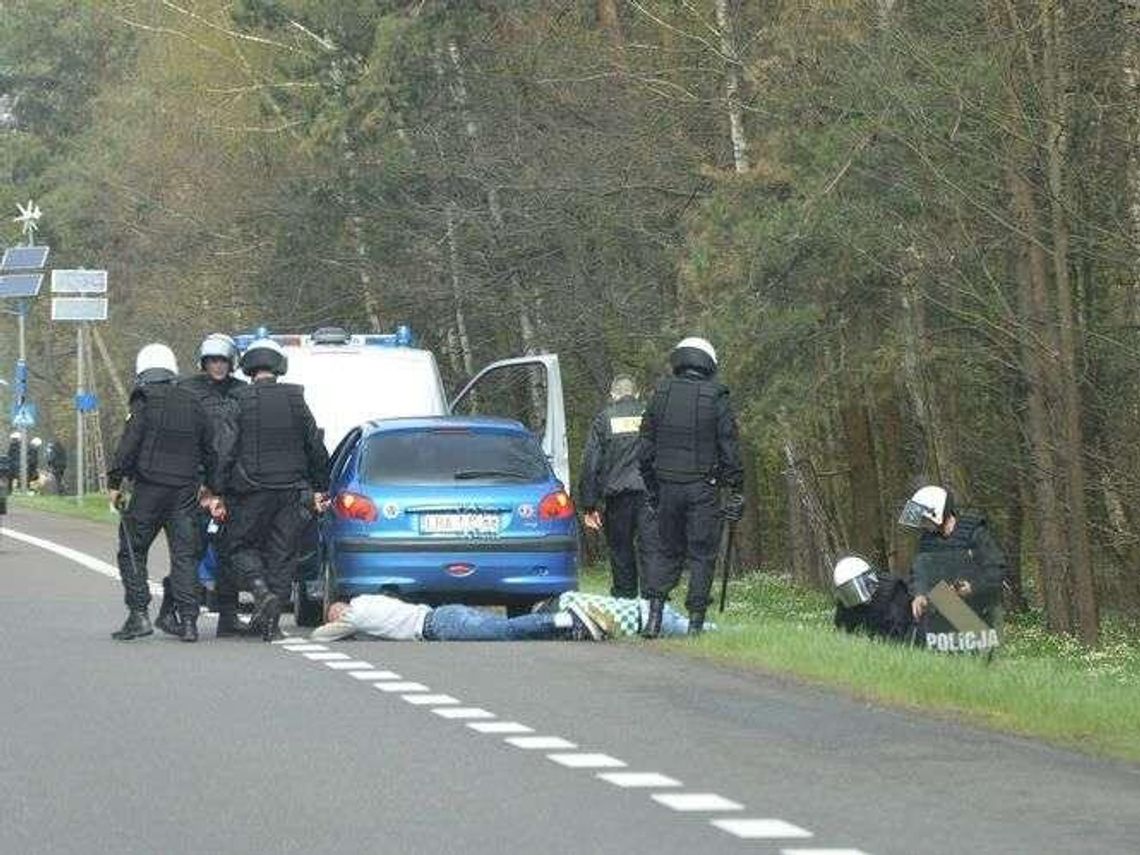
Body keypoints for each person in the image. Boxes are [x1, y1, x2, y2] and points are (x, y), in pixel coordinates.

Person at [216, 337, 330, 641]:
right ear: (279, 367)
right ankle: (272, 625)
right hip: (292, 492)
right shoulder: (296, 399)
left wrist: (217, 489)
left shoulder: (238, 400)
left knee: (238, 547)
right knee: (283, 556)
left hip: (251, 492)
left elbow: (225, 450)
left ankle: (259, 589)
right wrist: (321, 486)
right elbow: (315, 447)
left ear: (247, 368)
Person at [107, 343, 217, 642]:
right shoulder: (193, 402)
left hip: (149, 489)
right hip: (184, 491)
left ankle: (139, 614)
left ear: (142, 371)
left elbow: (129, 445)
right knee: (184, 555)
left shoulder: (143, 400)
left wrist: (115, 483)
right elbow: (211, 449)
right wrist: (212, 487)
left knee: (132, 548)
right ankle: (190, 622)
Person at [638, 336, 744, 637]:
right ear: (709, 363)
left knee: (666, 550)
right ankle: (695, 624)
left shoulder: (660, 394)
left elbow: (644, 448)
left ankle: (654, 619)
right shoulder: (717, 396)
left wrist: (653, 487)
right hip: (702, 488)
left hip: (667, 485)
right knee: (701, 553)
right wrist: (736, 486)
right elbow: (729, 447)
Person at [160, 333, 245, 638]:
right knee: (192, 552)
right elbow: (179, 439)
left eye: (222, 360)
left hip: (233, 485)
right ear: (203, 362)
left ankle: (229, 617)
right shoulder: (187, 391)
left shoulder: (242, 392)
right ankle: (175, 610)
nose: (218, 366)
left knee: (231, 552)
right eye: (212, 360)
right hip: (196, 486)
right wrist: (199, 484)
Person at [578, 375, 659, 598]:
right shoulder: (651, 415)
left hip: (617, 497)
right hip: (650, 496)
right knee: (651, 550)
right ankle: (653, 605)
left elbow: (591, 462)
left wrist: (588, 505)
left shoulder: (604, 419)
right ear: (637, 393)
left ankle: (625, 599)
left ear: (612, 395)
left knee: (621, 551)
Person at [898, 485, 1006, 629]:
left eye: (925, 518)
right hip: (943, 610)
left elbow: (996, 569)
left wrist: (973, 586)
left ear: (937, 513)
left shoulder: (975, 533)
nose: (923, 524)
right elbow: (919, 572)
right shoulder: (927, 540)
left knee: (976, 642)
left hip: (980, 608)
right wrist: (920, 594)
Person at [311, 594, 619, 642]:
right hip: (442, 613)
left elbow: (320, 636)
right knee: (501, 628)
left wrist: (333, 623)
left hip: (439, 625)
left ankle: (564, 621)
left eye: (334, 614)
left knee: (505, 631)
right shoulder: (368, 600)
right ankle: (569, 627)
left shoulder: (356, 614)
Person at [832, 555, 919, 644]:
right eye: (849, 589)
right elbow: (841, 629)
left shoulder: (893, 590)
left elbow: (899, 629)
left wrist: (874, 640)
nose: (855, 592)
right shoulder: (848, 601)